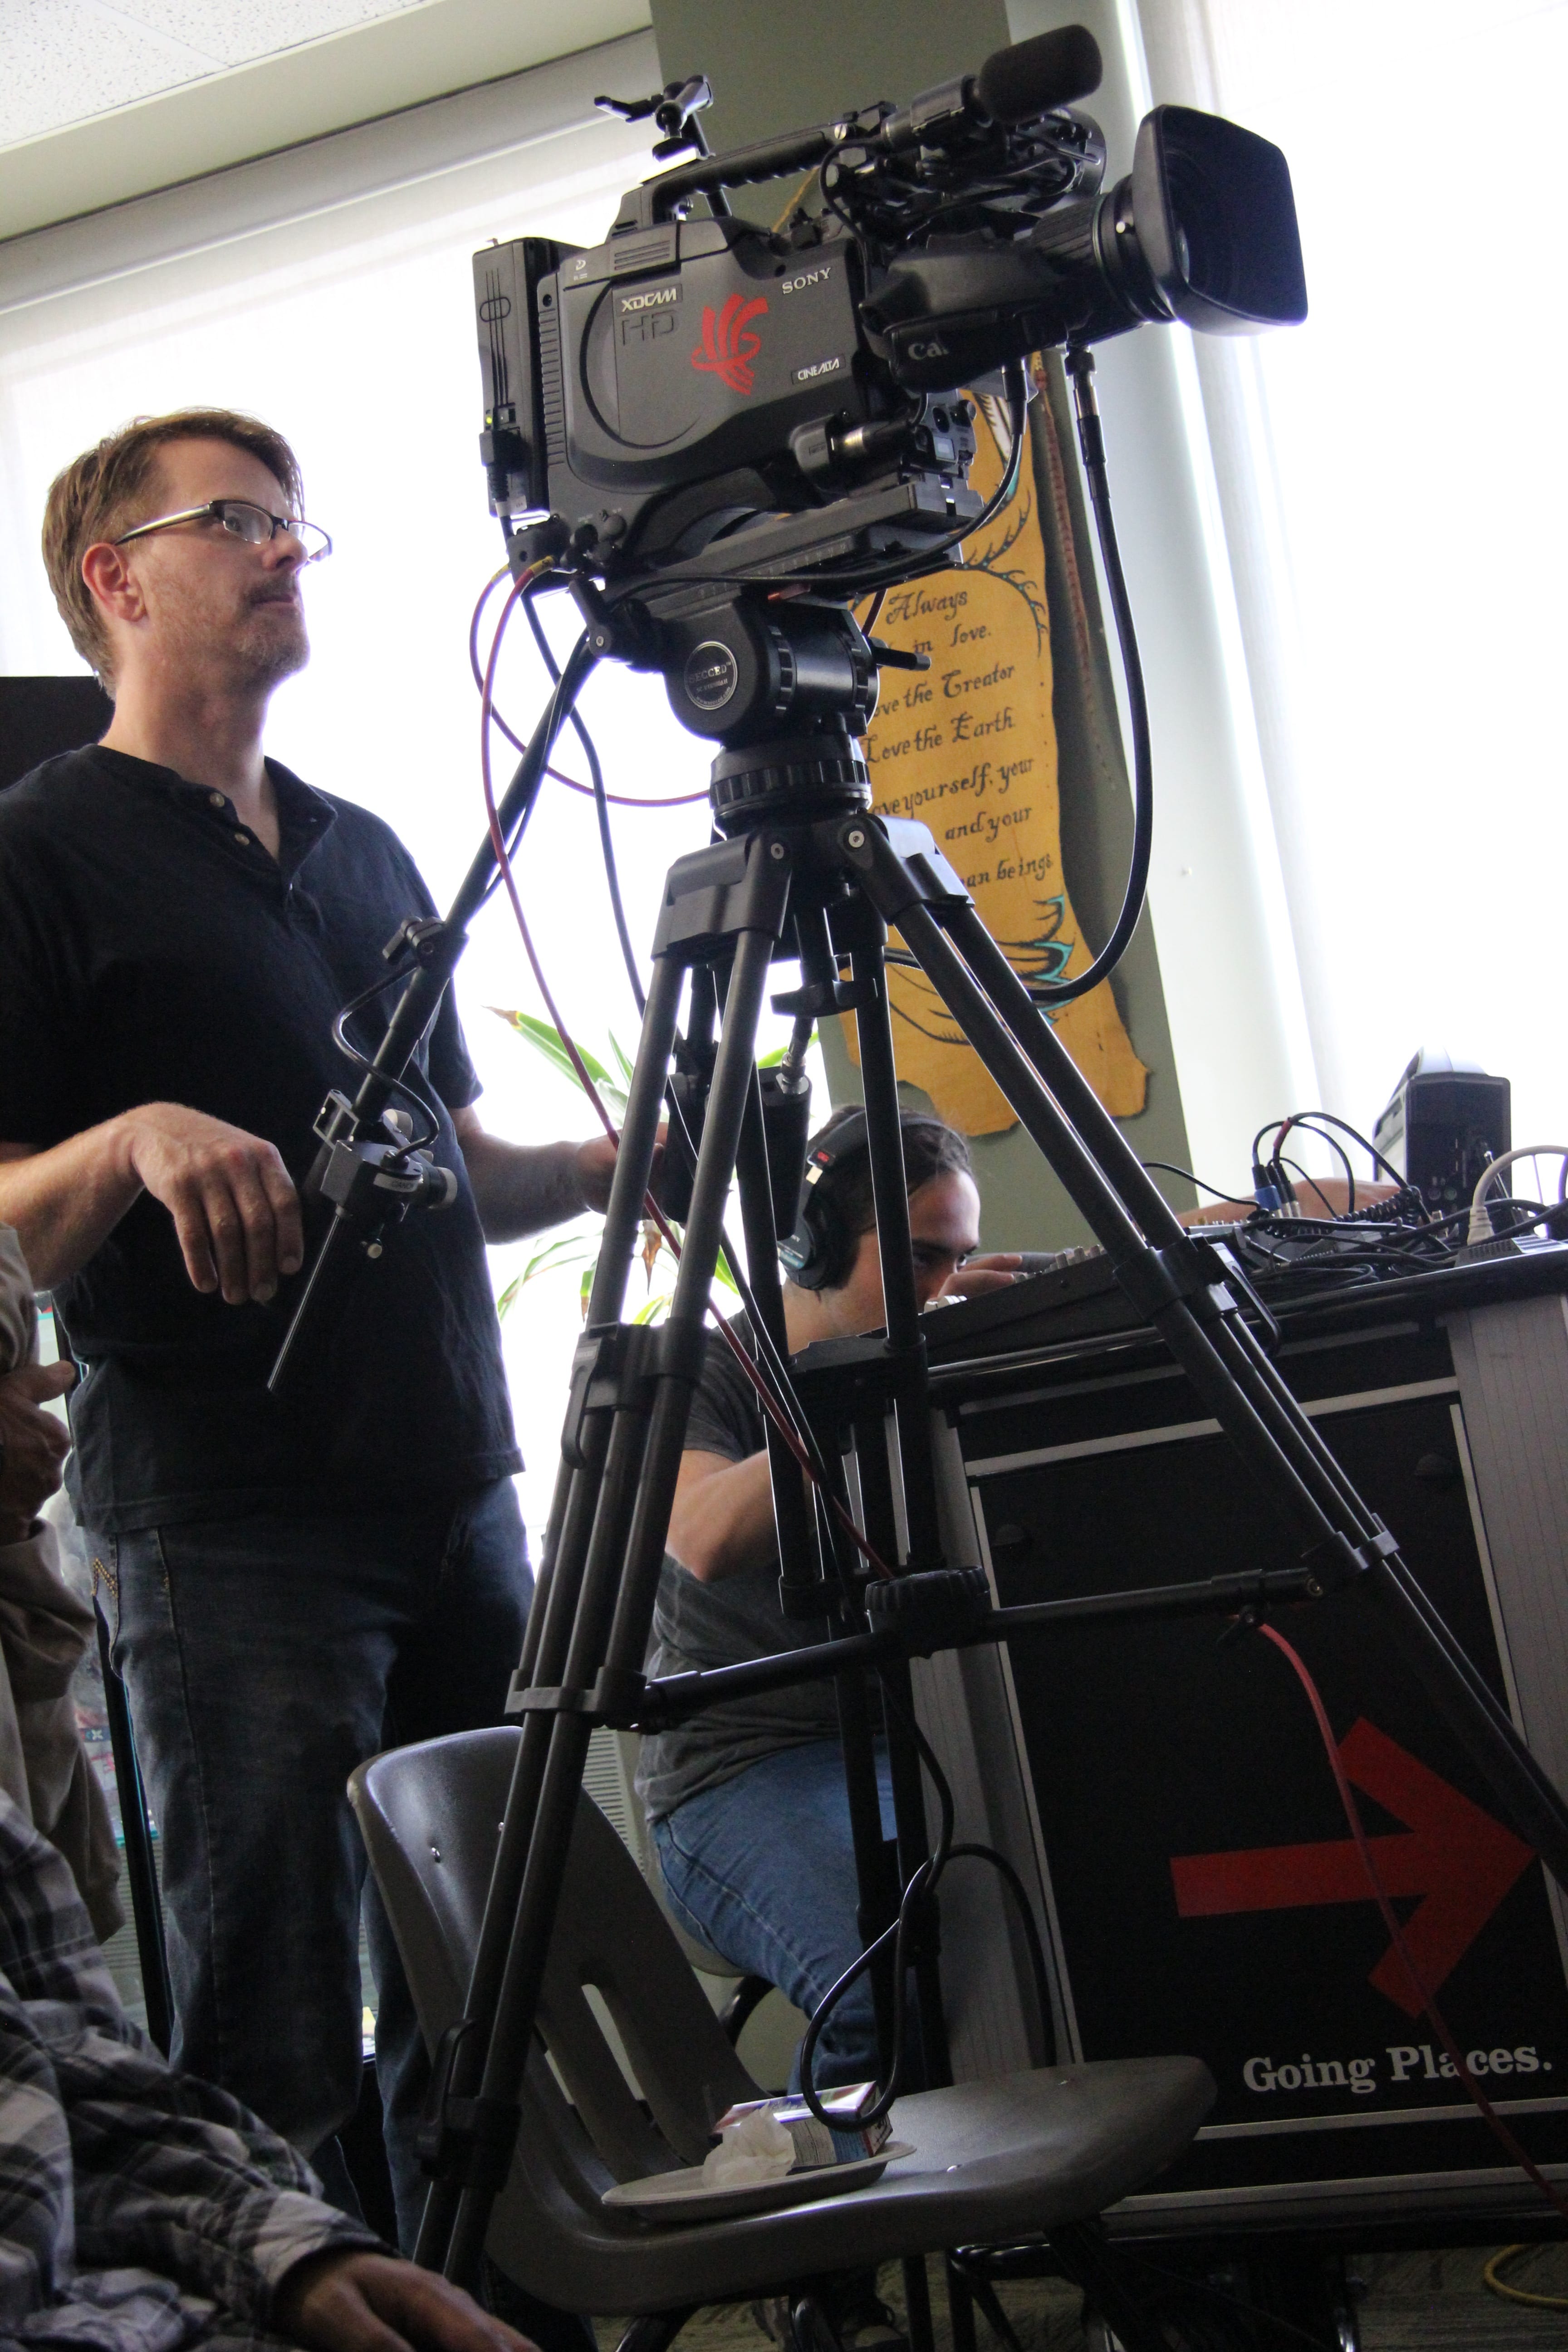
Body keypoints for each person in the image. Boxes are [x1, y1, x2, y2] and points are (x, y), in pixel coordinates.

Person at [0, 409, 616, 2254]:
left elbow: (452, 1166)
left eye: (297, 525)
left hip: (457, 1492)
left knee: (490, 2014)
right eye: (240, 520)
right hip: (230, 1523)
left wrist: (610, 1163)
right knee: (272, 2032)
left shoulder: (367, 852)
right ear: (116, 578)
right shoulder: (34, 854)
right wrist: (132, 1134)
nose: (288, 549)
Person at [638, 1107, 1019, 2090]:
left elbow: (1133, 1249)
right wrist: (864, 1386)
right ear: (813, 1248)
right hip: (743, 1770)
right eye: (921, 1258)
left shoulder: (934, 1327)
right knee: (884, 1992)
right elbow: (703, 1535)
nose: (939, 1287)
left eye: (955, 1260)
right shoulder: (700, 1370)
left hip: (922, 1744)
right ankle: (830, 2184)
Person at [0, 1775, 536, 2352]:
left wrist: (300, 2252)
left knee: (451, 2033)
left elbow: (84, 2089)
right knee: (275, 2061)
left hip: (151, 2299)